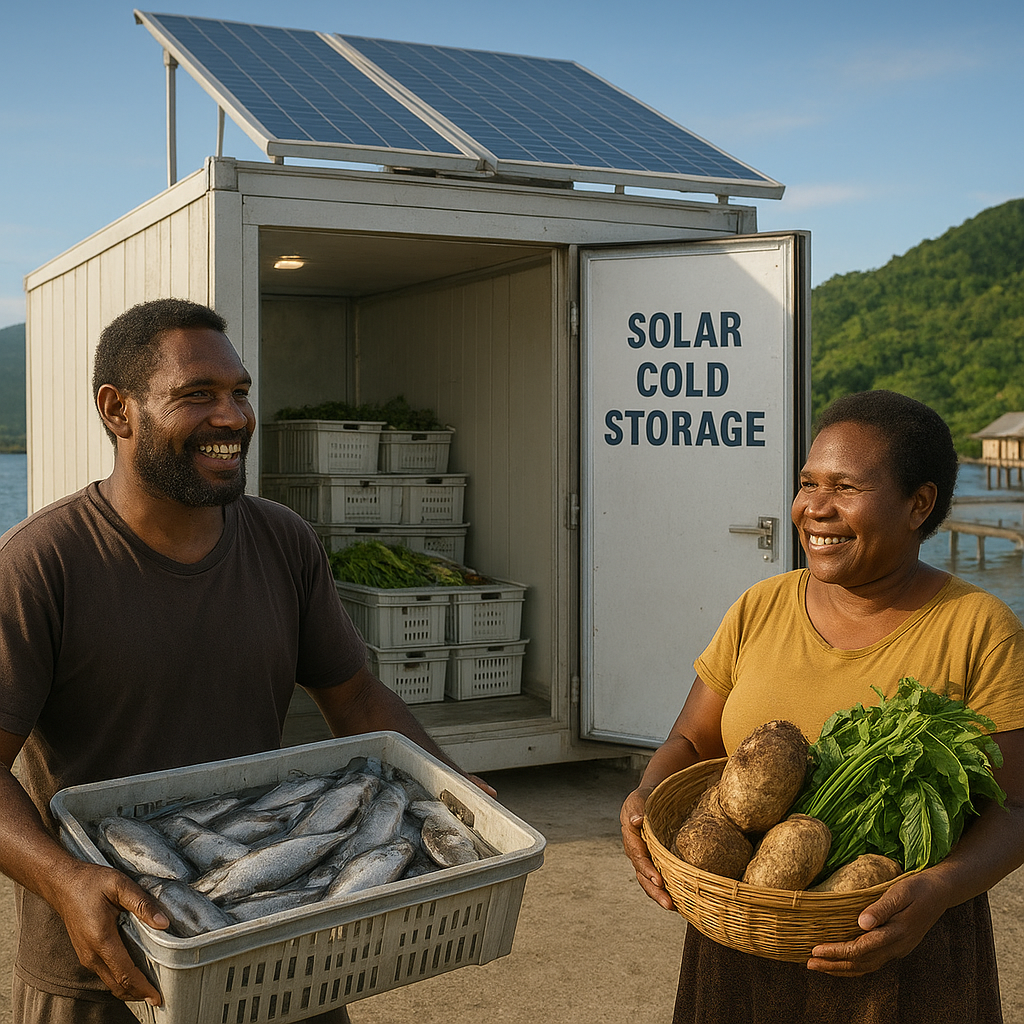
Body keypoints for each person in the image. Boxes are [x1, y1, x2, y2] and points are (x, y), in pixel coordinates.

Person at [0, 298, 493, 1024]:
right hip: (107, 964)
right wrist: (63, 878)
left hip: (275, 950)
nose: (232, 418)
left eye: (240, 392)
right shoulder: (41, 564)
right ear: (117, 410)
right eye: (197, 394)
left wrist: (452, 789)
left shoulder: (282, 541)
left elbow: (355, 698)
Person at [620, 389, 1024, 1024]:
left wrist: (940, 887)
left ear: (918, 504)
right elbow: (693, 744)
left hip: (900, 944)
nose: (814, 507)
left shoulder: (980, 629)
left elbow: (1016, 807)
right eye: (808, 483)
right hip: (744, 931)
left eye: (845, 487)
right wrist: (646, 795)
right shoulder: (761, 606)